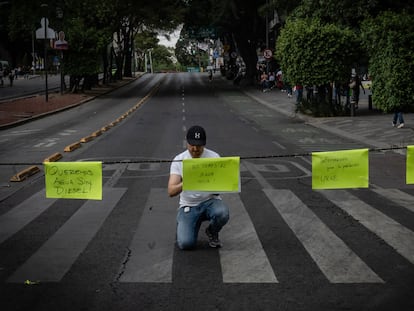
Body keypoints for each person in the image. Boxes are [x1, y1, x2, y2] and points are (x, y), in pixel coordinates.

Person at [168, 125, 230, 250]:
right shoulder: (179, 160)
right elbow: (171, 191)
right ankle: (187, 223)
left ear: (204, 144)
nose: (195, 149)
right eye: (192, 145)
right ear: (187, 142)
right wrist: (188, 181)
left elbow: (222, 186)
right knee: (186, 244)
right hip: (189, 206)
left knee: (222, 213)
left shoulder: (214, 157)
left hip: (210, 202)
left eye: (199, 145)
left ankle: (212, 231)